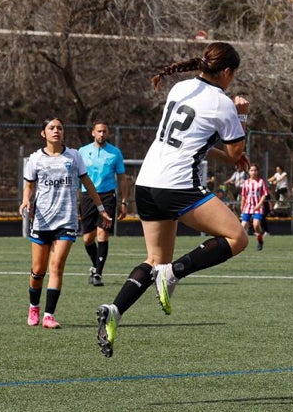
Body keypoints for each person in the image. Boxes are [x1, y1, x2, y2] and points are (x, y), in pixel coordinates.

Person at [95, 41, 251, 357]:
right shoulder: (223, 104)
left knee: (154, 260)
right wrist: (242, 114)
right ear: (225, 72)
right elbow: (237, 153)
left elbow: (196, 142)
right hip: (177, 186)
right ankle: (175, 272)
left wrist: (227, 155)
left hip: (147, 184)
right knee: (237, 237)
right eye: (233, 74)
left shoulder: (180, 88)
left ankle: (115, 310)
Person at [21, 118, 111, 329]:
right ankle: (34, 306)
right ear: (43, 133)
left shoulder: (74, 156)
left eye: (59, 128)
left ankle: (49, 315)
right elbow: (29, 186)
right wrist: (26, 200)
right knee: (38, 270)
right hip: (42, 221)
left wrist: (101, 209)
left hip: (67, 220)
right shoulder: (35, 159)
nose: (56, 131)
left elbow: (87, 183)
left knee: (57, 266)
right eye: (51, 128)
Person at [77, 120, 127, 287]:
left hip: (107, 197)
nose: (101, 134)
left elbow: (121, 178)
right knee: (87, 239)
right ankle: (95, 265)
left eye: (104, 131)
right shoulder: (82, 152)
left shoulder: (115, 153)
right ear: (93, 133)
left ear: (108, 133)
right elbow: (76, 176)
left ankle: (98, 273)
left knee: (102, 234)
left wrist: (124, 201)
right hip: (87, 196)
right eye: (98, 131)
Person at [239, 164, 270, 251]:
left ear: (257, 171)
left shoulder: (261, 182)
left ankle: (260, 240)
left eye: (255, 170)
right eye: (252, 170)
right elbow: (243, 196)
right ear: (249, 172)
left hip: (257, 206)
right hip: (247, 206)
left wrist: (259, 204)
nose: (254, 172)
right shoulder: (246, 183)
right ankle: (242, 244)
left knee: (256, 225)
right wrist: (242, 205)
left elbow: (264, 194)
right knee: (243, 226)